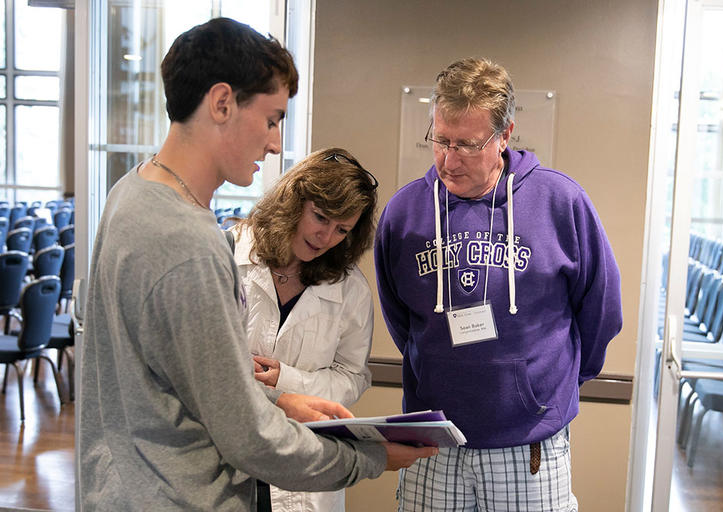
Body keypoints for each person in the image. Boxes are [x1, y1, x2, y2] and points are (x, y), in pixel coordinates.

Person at [78, 17, 436, 511]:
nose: (273, 144)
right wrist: (371, 458)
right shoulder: (190, 242)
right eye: (271, 119)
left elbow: (187, 385)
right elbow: (251, 440)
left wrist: (282, 399)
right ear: (222, 103)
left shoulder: (131, 192)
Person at [374, 57, 623, 511]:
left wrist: (547, 388)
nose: (449, 160)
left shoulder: (560, 201)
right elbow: (400, 318)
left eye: (467, 145)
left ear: (505, 134)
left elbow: (601, 311)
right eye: (440, 140)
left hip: (527, 446)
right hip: (435, 443)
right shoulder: (403, 213)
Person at [231, 147, 378, 512]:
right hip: (230, 453)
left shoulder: (350, 289)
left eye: (342, 229)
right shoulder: (230, 254)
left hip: (306, 462)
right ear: (295, 200)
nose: (326, 237)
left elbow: (352, 376)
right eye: (321, 217)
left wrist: (287, 380)